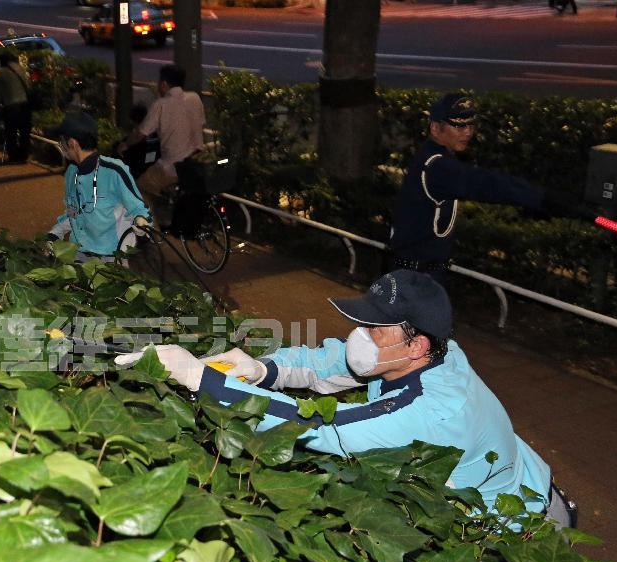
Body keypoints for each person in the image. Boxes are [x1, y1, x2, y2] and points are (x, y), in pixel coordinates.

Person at [115, 270, 575, 526]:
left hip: (514, 526)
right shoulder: (435, 352)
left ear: (415, 345)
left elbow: (321, 432)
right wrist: (264, 369)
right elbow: (332, 363)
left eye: (375, 328)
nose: (360, 337)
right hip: (519, 477)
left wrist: (201, 379)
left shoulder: (433, 410)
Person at [388, 93, 574, 283]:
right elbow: (489, 185)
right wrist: (545, 199)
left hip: (415, 275)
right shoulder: (438, 167)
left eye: (470, 125)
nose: (467, 132)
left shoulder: (432, 157)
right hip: (415, 281)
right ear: (436, 128)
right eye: (459, 125)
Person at [46, 111, 152, 262]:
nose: (60, 146)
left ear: (72, 143)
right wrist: (55, 233)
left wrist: (141, 221)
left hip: (111, 260)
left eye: (61, 142)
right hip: (78, 254)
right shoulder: (71, 173)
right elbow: (73, 212)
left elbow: (139, 209)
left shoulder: (114, 171)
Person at [117, 64, 205, 221]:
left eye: (159, 82)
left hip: (173, 168)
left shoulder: (161, 105)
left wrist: (125, 145)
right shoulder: (195, 98)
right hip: (195, 164)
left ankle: (149, 230)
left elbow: (141, 134)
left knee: (138, 187)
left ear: (164, 84)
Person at [0, 52, 32, 164]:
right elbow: (28, 85)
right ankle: (24, 155)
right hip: (25, 104)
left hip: (11, 106)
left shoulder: (0, 73)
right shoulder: (21, 69)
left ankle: (14, 157)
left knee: (11, 132)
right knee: (25, 132)